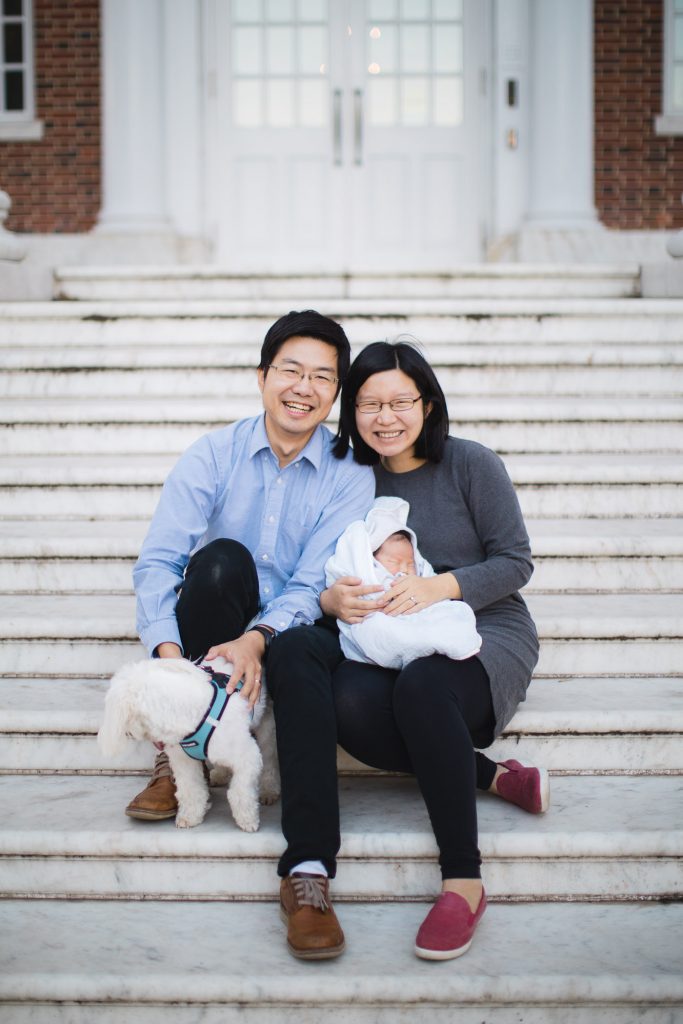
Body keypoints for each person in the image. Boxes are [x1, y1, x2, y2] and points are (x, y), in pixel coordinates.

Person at [127, 310, 376, 959]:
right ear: (262, 376)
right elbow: (158, 562)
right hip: (215, 617)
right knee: (217, 562)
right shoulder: (213, 452)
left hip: (292, 623)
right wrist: (170, 664)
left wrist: (259, 638)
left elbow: (311, 580)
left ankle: (309, 873)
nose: (304, 387)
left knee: (298, 649)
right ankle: (175, 750)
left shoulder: (350, 474)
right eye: (290, 369)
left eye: (323, 376)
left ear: (336, 392)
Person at [323, 340, 547, 961]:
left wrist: (435, 587)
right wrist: (329, 603)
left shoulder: (471, 464)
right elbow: (326, 563)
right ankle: (490, 776)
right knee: (346, 704)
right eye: (369, 403)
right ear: (352, 409)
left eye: (400, 402)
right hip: (384, 637)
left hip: (484, 629)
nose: (385, 418)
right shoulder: (348, 479)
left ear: (427, 402)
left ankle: (463, 881)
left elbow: (515, 562)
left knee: (423, 686)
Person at [324, 495, 482, 668]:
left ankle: (440, 641)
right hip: (380, 618)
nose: (404, 569)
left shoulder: (419, 573)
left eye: (409, 563)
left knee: (456, 611)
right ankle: (417, 644)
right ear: (372, 561)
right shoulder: (369, 573)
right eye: (394, 562)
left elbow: (429, 585)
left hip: (418, 616)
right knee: (376, 630)